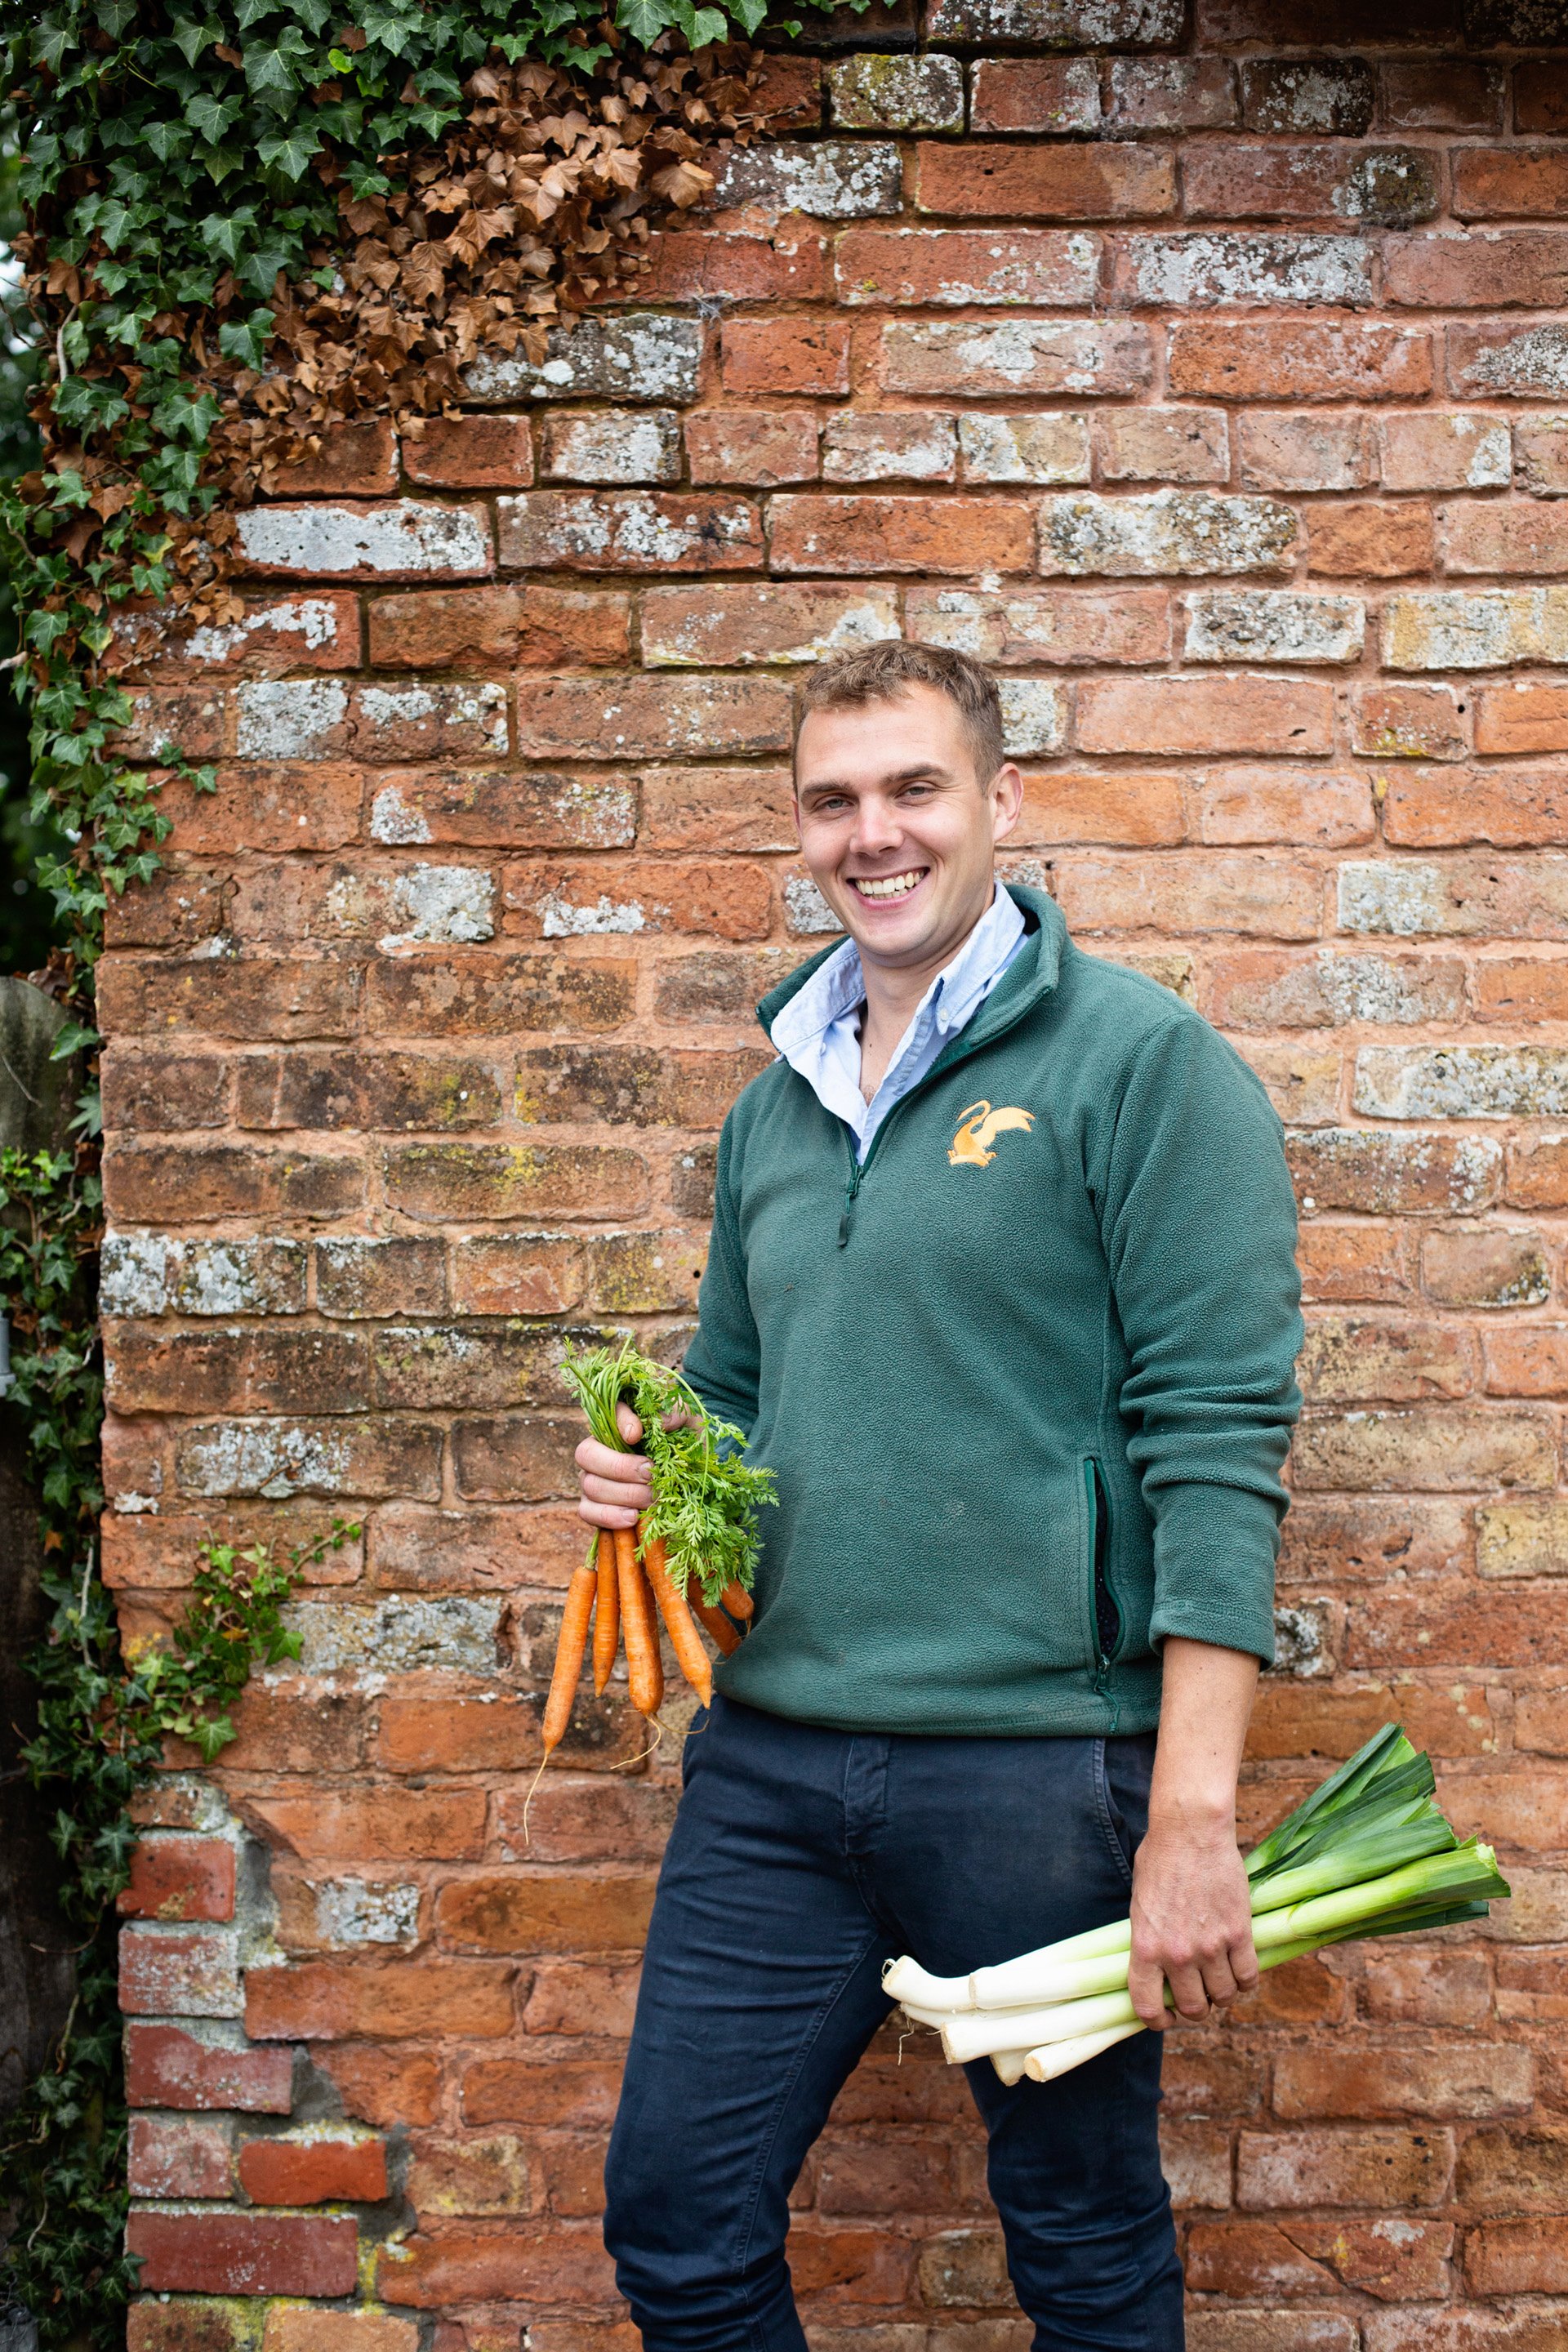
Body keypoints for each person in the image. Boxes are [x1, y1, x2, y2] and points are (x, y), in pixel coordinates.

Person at [576, 642, 1303, 2352]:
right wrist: (654, 1461)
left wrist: (1188, 1817)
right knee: (676, 2224)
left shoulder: (1141, 1064)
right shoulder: (776, 1100)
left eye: (913, 788)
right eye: (833, 800)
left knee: (1078, 2235)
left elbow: (1215, 1436)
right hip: (771, 1761)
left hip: (1042, 1768)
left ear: (1001, 805)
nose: (872, 833)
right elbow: (738, 1393)